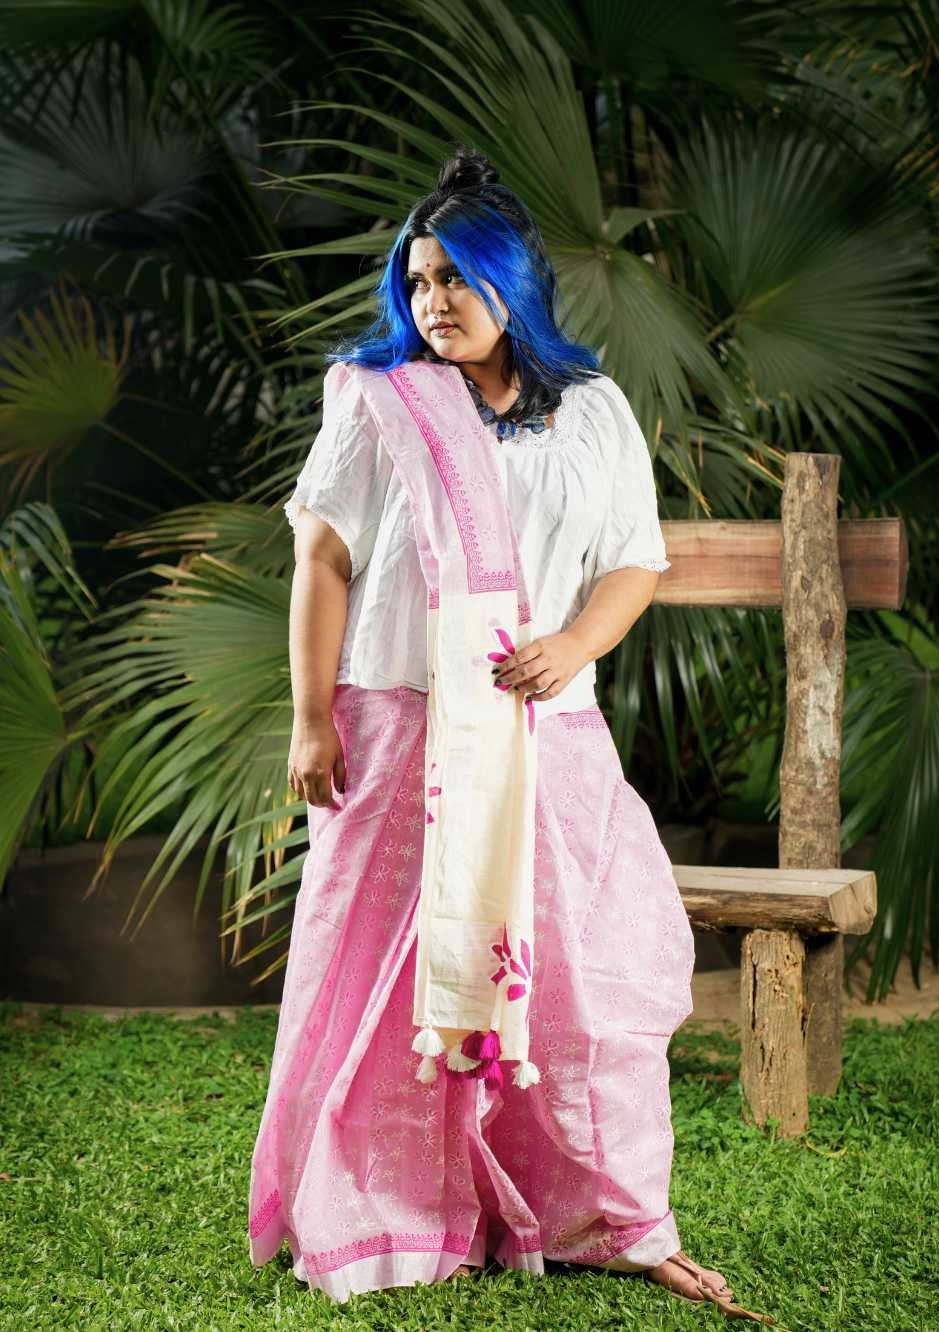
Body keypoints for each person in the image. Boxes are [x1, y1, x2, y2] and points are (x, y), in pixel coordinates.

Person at [247, 145, 771, 1324]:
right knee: (379, 975)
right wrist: (312, 718)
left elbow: (634, 560)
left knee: (580, 977)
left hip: (547, 729)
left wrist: (575, 643)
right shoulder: (375, 397)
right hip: (399, 724)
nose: (433, 300)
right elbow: (322, 559)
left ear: (513, 283)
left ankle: (604, 1217)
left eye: (455, 277)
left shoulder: (591, 409)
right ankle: (387, 1211)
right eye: (417, 279)